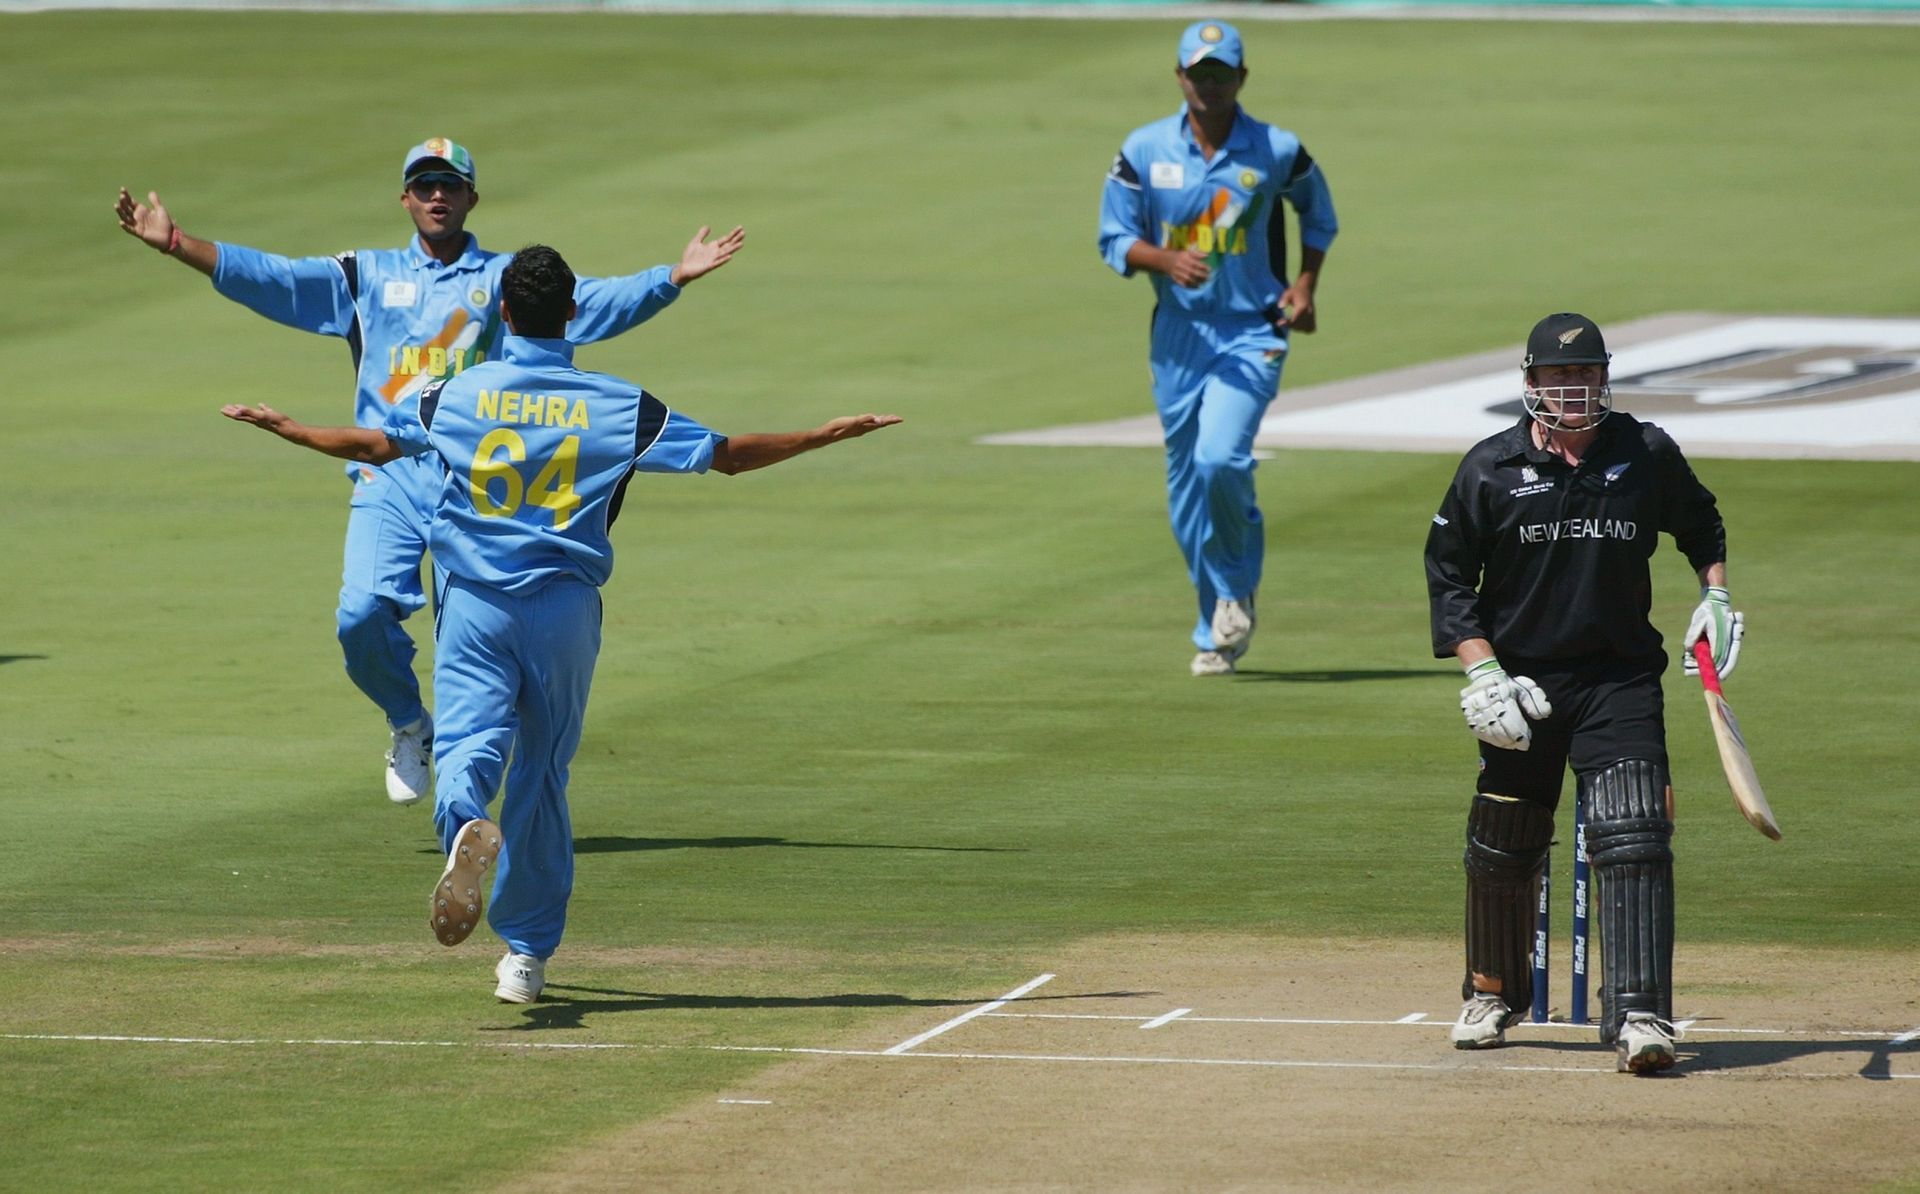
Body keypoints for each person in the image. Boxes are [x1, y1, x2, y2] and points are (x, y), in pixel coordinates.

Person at [222, 244, 900, 1001]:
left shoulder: (458, 393)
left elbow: (379, 444)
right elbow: (728, 457)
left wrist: (293, 431)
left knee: (470, 746)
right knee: (543, 774)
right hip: (564, 611)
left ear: (502, 313)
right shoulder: (617, 403)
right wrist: (818, 436)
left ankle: (464, 827)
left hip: (475, 602)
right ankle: (526, 954)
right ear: (571, 312)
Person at [117, 138, 746, 805]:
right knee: (360, 617)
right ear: (405, 198)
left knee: (471, 648)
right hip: (387, 474)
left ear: (473, 197)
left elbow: (586, 303)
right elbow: (276, 279)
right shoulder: (365, 274)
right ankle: (410, 725)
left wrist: (669, 279)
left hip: (467, 485)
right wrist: (176, 242)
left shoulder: (504, 279)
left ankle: (473, 790)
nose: (437, 196)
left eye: (450, 185)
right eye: (424, 185)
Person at [1423, 312, 1745, 1074]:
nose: (1573, 390)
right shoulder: (1489, 469)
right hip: (1522, 685)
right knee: (1503, 842)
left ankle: (1640, 1013)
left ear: (1605, 378)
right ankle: (1492, 992)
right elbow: (1447, 576)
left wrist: (1717, 600)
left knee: (1632, 833)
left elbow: (1703, 526)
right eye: (1558, 378)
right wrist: (1480, 670)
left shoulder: (1645, 452)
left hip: (1619, 676)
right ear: (1531, 384)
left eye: (1586, 375)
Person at [1098, 21, 1339, 676]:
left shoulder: (1275, 148)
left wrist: (1306, 283)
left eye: (1221, 73)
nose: (1209, 84)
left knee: (1219, 460)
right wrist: (1166, 259)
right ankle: (1215, 630)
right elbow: (1114, 240)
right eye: (1198, 73)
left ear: (1242, 79)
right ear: (1178, 77)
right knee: (1185, 489)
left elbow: (1318, 214)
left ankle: (1234, 585)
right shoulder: (1144, 149)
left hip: (1253, 329)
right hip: (1178, 334)